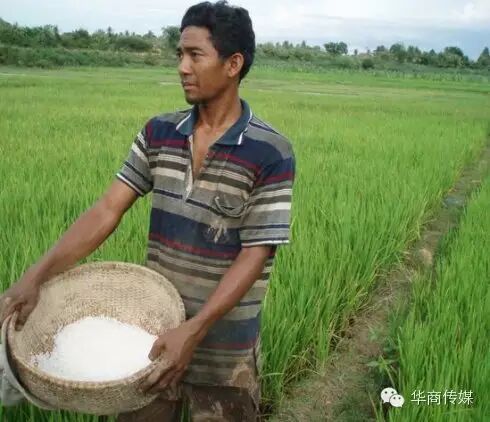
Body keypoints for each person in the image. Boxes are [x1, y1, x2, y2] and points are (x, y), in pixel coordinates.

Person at [0, 1, 295, 420]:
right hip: (150, 342)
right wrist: (36, 276)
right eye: (180, 54)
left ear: (233, 64)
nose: (182, 67)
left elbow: (256, 252)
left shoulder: (270, 151)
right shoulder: (160, 133)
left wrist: (194, 330)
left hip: (224, 351)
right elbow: (107, 209)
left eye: (195, 55)